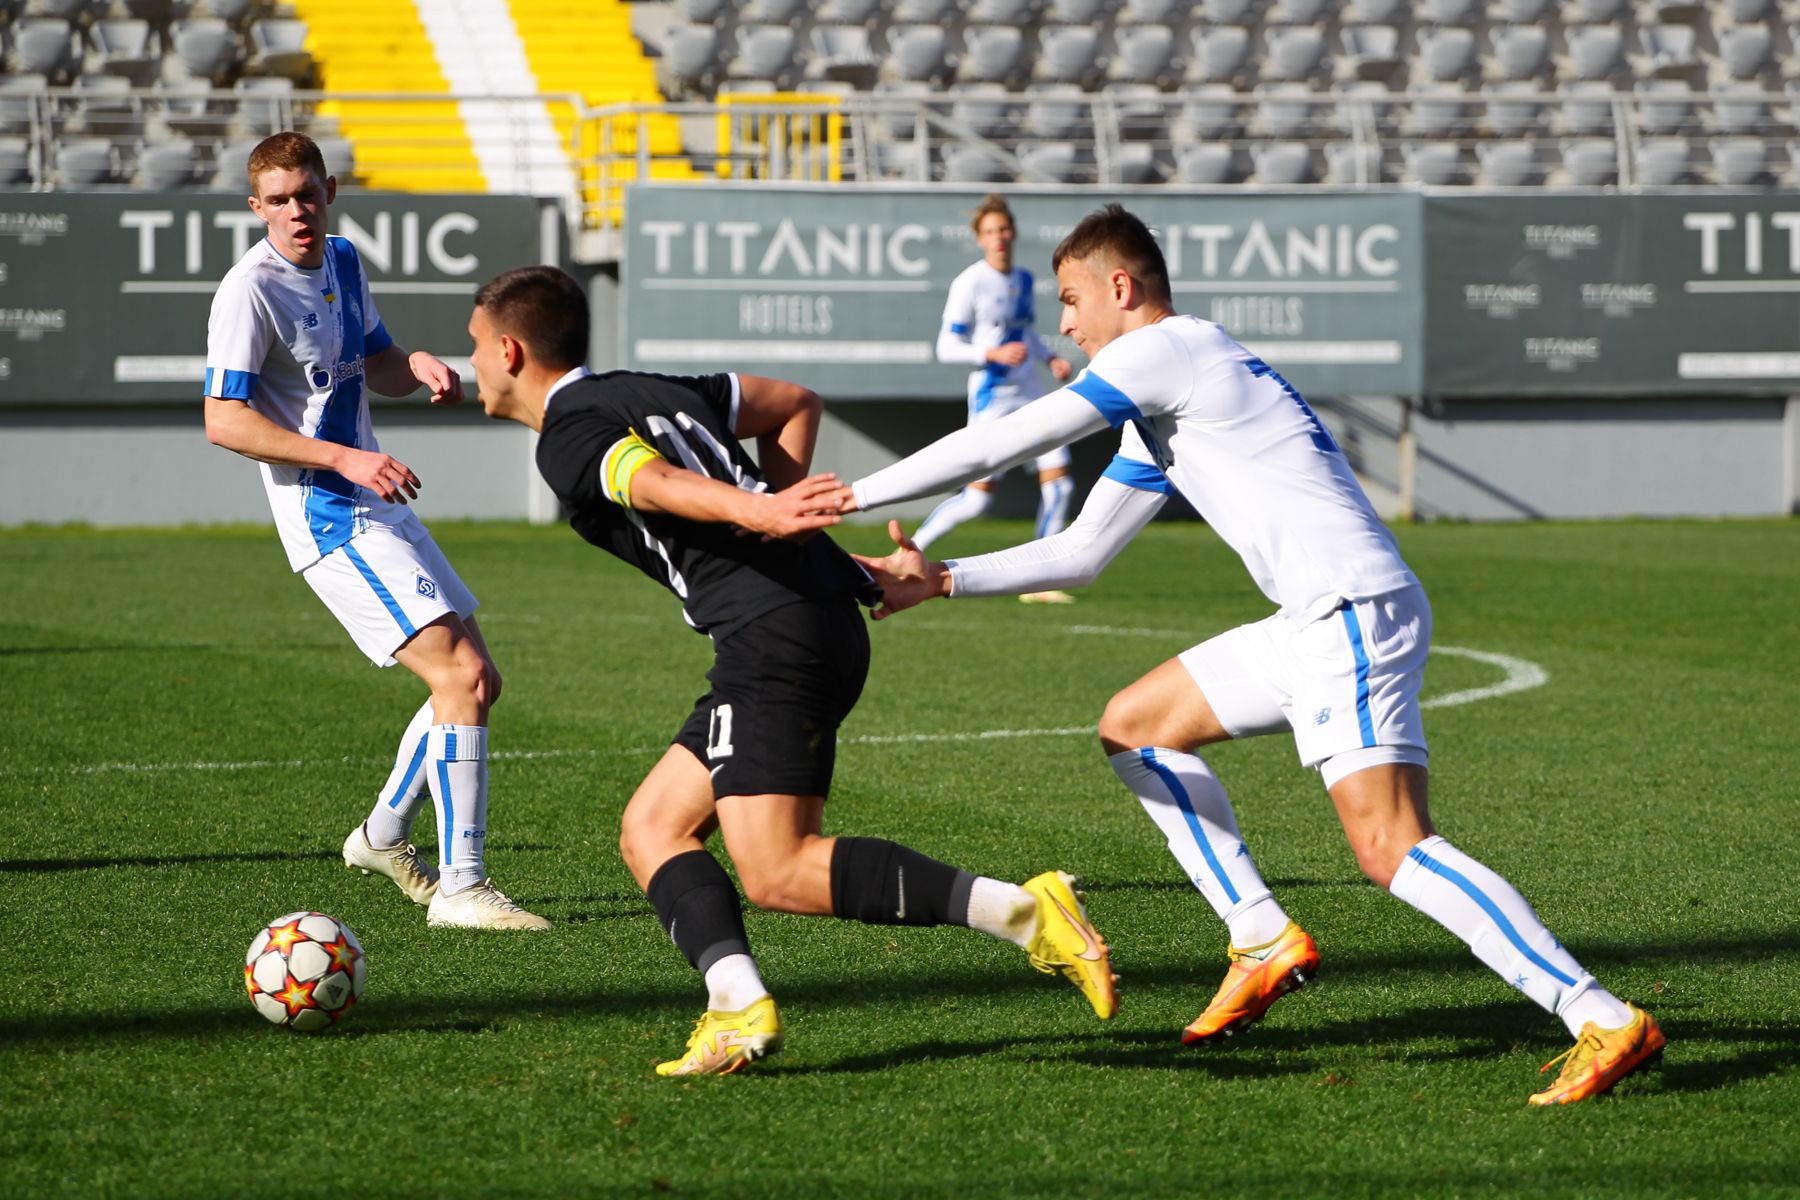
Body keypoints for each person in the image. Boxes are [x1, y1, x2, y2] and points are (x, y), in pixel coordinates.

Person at [839, 204, 1663, 1106]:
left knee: (1391, 847)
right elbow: (1083, 550)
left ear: (1123, 287)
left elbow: (1008, 437)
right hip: (1316, 618)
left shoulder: (1165, 352)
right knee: (1136, 727)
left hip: (1346, 614)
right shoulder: (1167, 396)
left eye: (1073, 299)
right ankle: (1262, 935)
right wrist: (943, 577)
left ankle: (1600, 1015)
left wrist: (839, 496)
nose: (1064, 322)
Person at [464, 264, 1117, 1076]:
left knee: (777, 867)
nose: (474, 369)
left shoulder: (567, 435)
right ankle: (737, 1005)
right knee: (652, 829)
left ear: (510, 349)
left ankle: (1025, 913)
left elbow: (651, 479)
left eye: (475, 350)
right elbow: (794, 400)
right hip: (800, 622)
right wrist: (789, 526)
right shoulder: (656, 385)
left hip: (775, 638)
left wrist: (768, 512)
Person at [202, 131, 547, 931]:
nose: (296, 211)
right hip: (325, 511)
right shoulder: (247, 291)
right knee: (457, 678)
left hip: (371, 493)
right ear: (257, 208)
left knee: (477, 680)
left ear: (330, 191)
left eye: (307, 194)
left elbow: (378, 361)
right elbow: (224, 420)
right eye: (278, 200)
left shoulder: (345, 259)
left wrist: (417, 364)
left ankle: (383, 836)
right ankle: (462, 889)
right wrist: (344, 460)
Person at [918, 194, 1078, 605]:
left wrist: (1051, 357)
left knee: (1060, 483)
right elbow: (945, 346)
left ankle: (1040, 579)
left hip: (1030, 391)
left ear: (1014, 233)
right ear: (979, 239)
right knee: (976, 501)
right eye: (990, 232)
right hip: (992, 396)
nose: (999, 238)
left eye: (1004, 230)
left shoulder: (1023, 279)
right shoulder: (970, 282)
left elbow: (1024, 333)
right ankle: (913, 550)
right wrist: (990, 354)